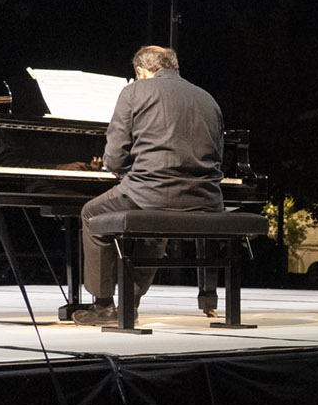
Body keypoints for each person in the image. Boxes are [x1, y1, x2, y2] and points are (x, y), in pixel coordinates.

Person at [73, 45, 224, 324]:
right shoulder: (207, 98)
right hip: (206, 198)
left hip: (153, 193)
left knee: (92, 214)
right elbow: (218, 155)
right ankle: (130, 304)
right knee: (152, 221)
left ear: (142, 72)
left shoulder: (134, 91)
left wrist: (124, 170)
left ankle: (104, 306)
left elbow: (115, 157)